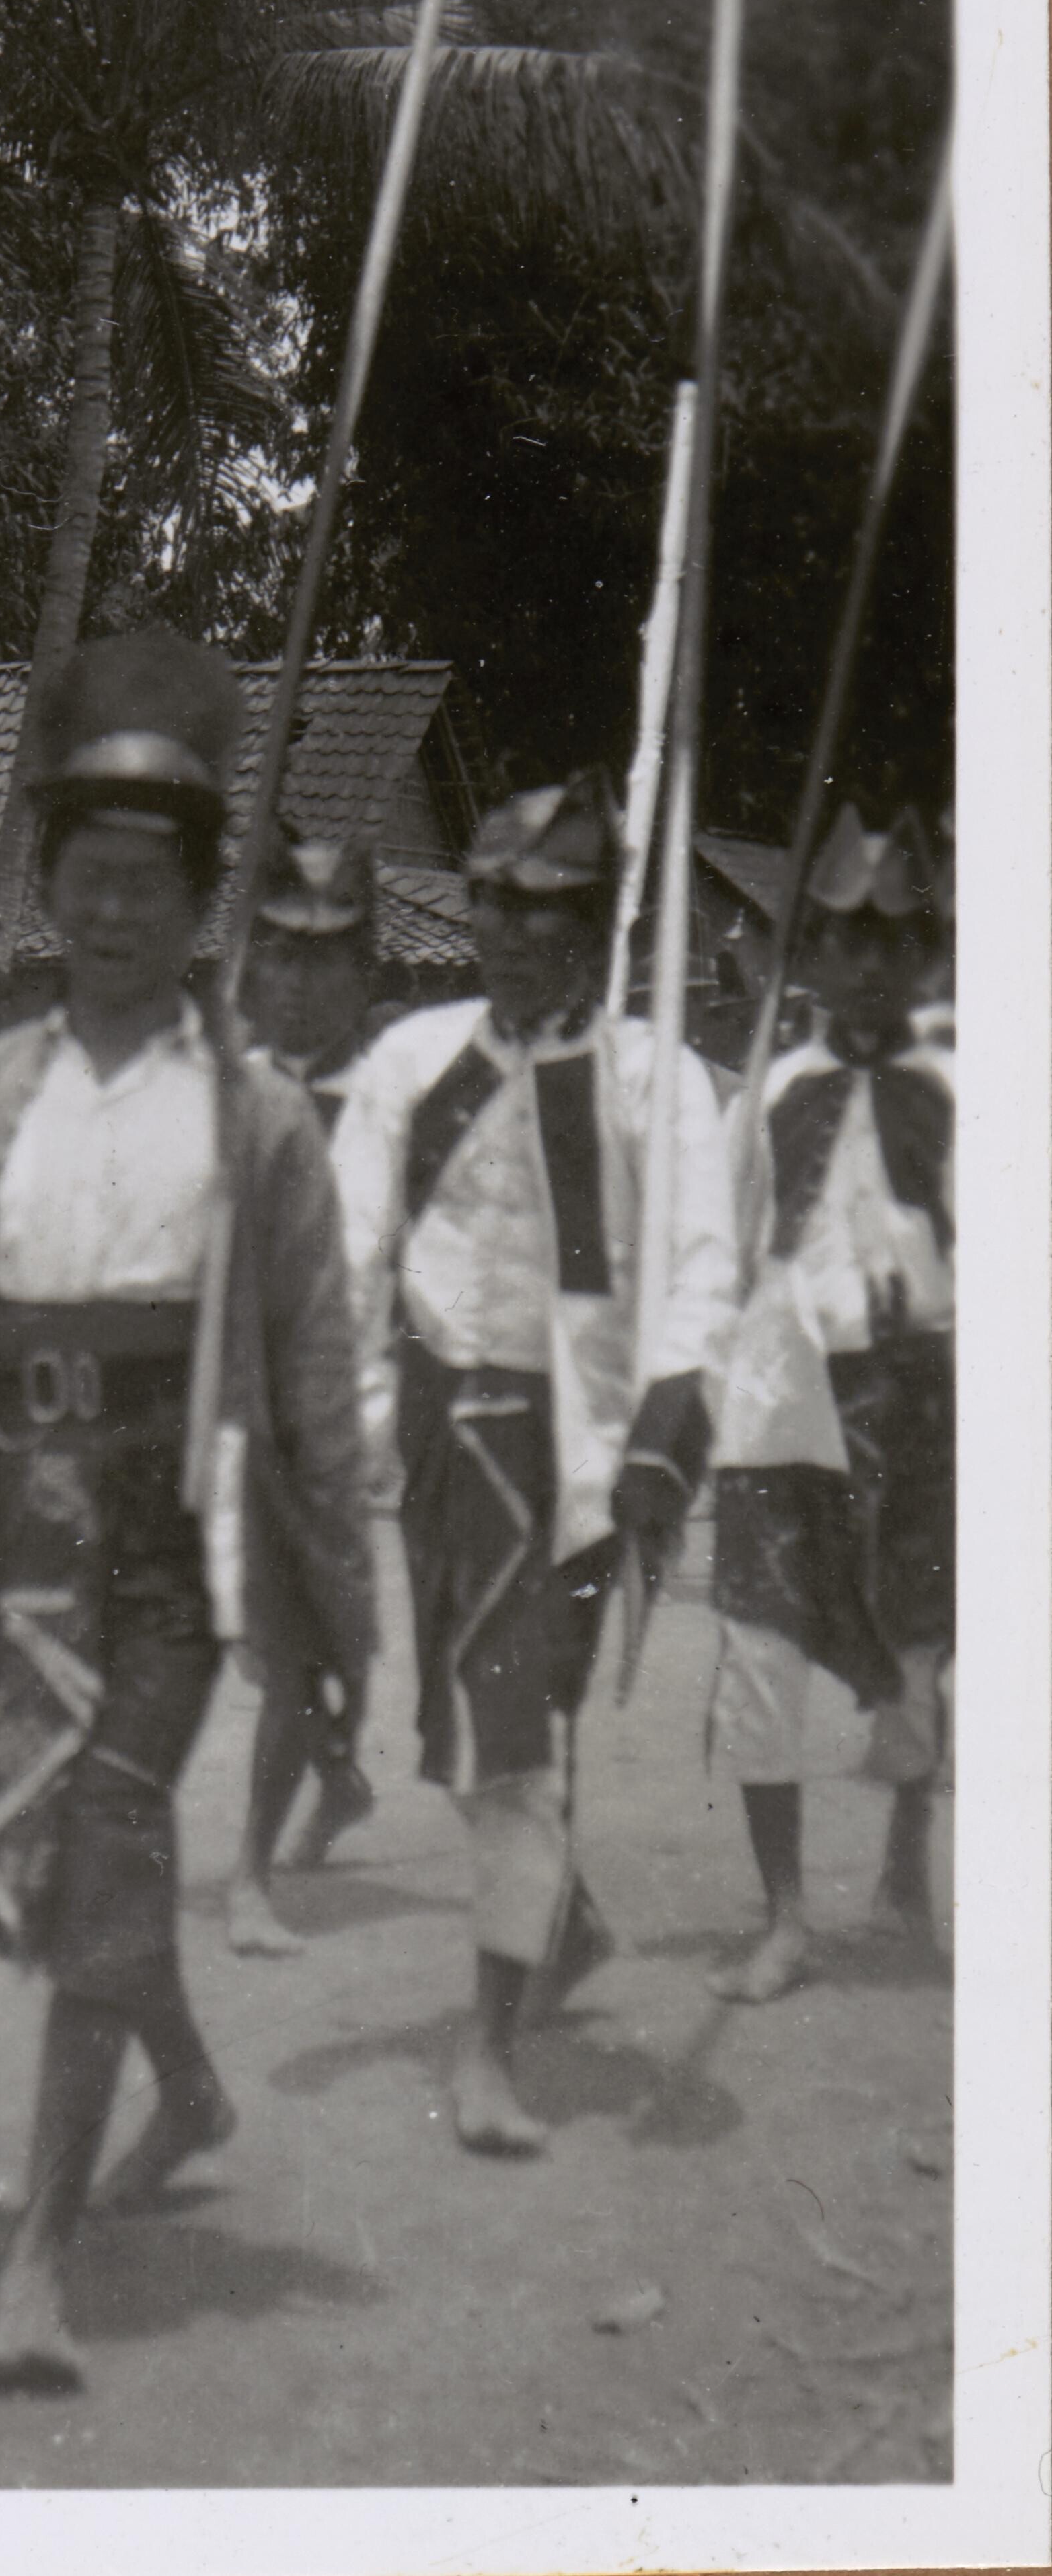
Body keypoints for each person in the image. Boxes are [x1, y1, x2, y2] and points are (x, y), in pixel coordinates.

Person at [0, 632, 371, 2394]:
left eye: (147, 879)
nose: (113, 906)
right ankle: (185, 2087)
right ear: (48, 886)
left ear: (198, 905)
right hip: (12, 1536)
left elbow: (315, 1375)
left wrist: (335, 1620)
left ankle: (36, 2258)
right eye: (87, 872)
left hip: (170, 1542)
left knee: (106, 1837)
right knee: (45, 1871)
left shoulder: (256, 1122)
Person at [330, 771, 735, 2157]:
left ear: (595, 922)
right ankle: (558, 1922)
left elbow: (699, 1273)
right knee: (467, 1738)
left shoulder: (652, 1079)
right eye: (496, 904)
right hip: (441, 1437)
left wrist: (662, 1441)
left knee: (513, 1739)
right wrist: (352, 1421)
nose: (515, 932)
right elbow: (349, 1253)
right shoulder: (410, 1059)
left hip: (579, 1455)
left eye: (548, 909)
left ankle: (488, 2045)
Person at [704, 804, 952, 2002]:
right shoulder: (767, 1093)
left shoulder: (962, 1089)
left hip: (914, 1402)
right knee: (758, 1653)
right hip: (777, 1402)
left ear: (923, 955)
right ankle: (784, 1916)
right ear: (809, 951)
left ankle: (904, 1869)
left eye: (888, 940)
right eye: (842, 938)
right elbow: (719, 1251)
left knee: (918, 1655)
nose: (863, 963)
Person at [225, 831, 388, 1955]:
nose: (297, 979)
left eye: (326, 956)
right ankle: (334, 1772)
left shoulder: (399, 1097)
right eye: (280, 952)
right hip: (220, 1405)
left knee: (308, 1638)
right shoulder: (215, 1090)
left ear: (364, 969)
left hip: (348, 1405)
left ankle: (247, 1868)